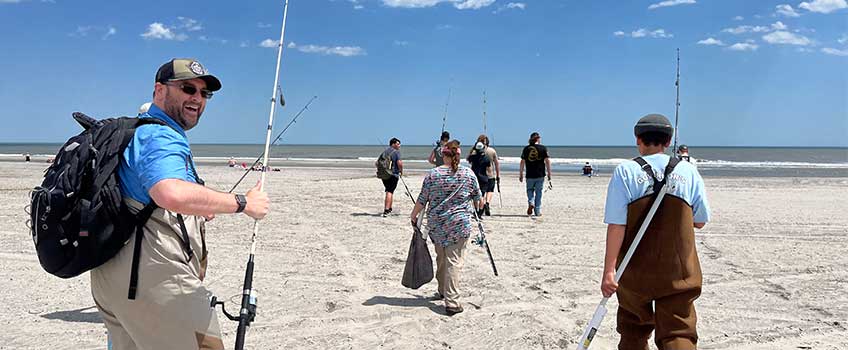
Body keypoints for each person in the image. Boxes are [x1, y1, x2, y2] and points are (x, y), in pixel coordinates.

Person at [90, 58, 270, 350]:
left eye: (204, 93)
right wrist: (243, 203)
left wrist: (200, 209)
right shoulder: (161, 135)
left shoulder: (139, 132)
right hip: (153, 280)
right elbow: (170, 193)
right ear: (159, 91)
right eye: (188, 88)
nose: (197, 98)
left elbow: (153, 196)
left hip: (113, 278)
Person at [600, 113, 711, 350]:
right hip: (678, 270)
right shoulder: (688, 171)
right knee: (678, 331)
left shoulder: (626, 171)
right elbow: (700, 221)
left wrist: (609, 271)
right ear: (668, 142)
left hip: (634, 270)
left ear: (638, 139)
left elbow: (617, 224)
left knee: (633, 329)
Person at [410, 140, 481, 316]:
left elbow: (422, 199)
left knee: (442, 259)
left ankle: (443, 290)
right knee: (453, 262)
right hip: (459, 224)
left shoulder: (433, 175)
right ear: (459, 155)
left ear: (443, 155)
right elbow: (478, 199)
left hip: (437, 224)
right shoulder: (468, 174)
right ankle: (452, 302)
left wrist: (413, 215)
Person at [519, 132, 551, 216]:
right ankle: (537, 211)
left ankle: (531, 202)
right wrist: (549, 173)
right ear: (538, 139)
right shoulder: (543, 148)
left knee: (529, 190)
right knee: (538, 192)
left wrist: (521, 174)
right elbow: (547, 161)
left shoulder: (526, 149)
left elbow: (522, 162)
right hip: (540, 174)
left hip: (529, 174)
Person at [380, 138, 403, 217]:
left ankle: (389, 208)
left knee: (389, 190)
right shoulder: (396, 152)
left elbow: (377, 163)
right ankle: (386, 210)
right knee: (389, 191)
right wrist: (401, 171)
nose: (399, 145)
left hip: (384, 175)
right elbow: (399, 163)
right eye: (398, 144)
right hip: (393, 175)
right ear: (393, 144)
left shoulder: (384, 152)